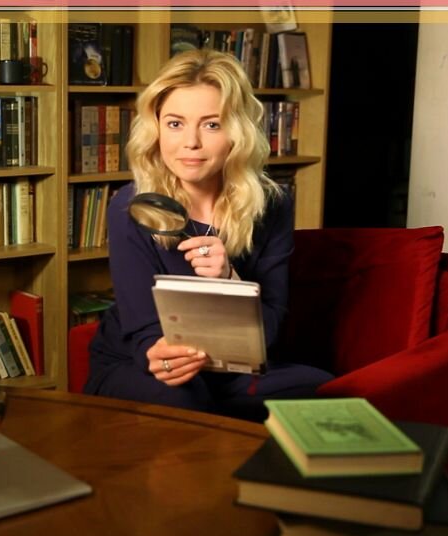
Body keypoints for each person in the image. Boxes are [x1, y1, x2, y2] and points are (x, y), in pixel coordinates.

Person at [83, 49, 334, 422]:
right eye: (175, 123)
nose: (191, 142)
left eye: (212, 125)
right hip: (142, 362)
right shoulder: (130, 207)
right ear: (156, 128)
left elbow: (271, 328)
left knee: (326, 391)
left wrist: (229, 278)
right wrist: (161, 355)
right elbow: (145, 332)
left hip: (231, 366)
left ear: (237, 133)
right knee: (188, 399)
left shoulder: (272, 205)